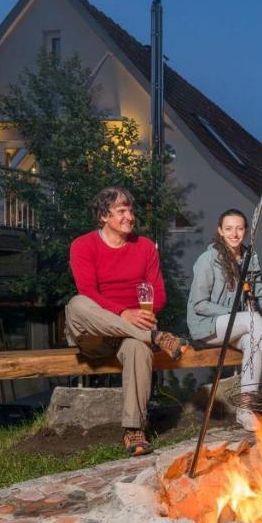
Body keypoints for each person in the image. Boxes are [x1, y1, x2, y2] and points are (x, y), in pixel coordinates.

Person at [64, 186, 189, 457]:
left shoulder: (144, 247)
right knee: (77, 304)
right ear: (103, 217)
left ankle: (133, 430)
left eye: (131, 210)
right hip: (93, 333)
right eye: (121, 211)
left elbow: (159, 294)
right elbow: (88, 291)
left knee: (137, 347)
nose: (129, 216)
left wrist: (144, 314)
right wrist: (123, 313)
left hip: (130, 335)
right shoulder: (83, 245)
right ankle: (155, 337)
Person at [188, 208, 262, 431]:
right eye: (229, 228)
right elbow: (199, 304)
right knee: (250, 322)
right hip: (207, 326)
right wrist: (235, 313)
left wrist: (254, 304)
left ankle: (245, 409)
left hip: (239, 326)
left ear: (246, 231)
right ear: (220, 231)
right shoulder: (208, 260)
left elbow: (260, 297)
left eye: (239, 228)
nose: (234, 234)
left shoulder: (250, 259)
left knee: (254, 340)